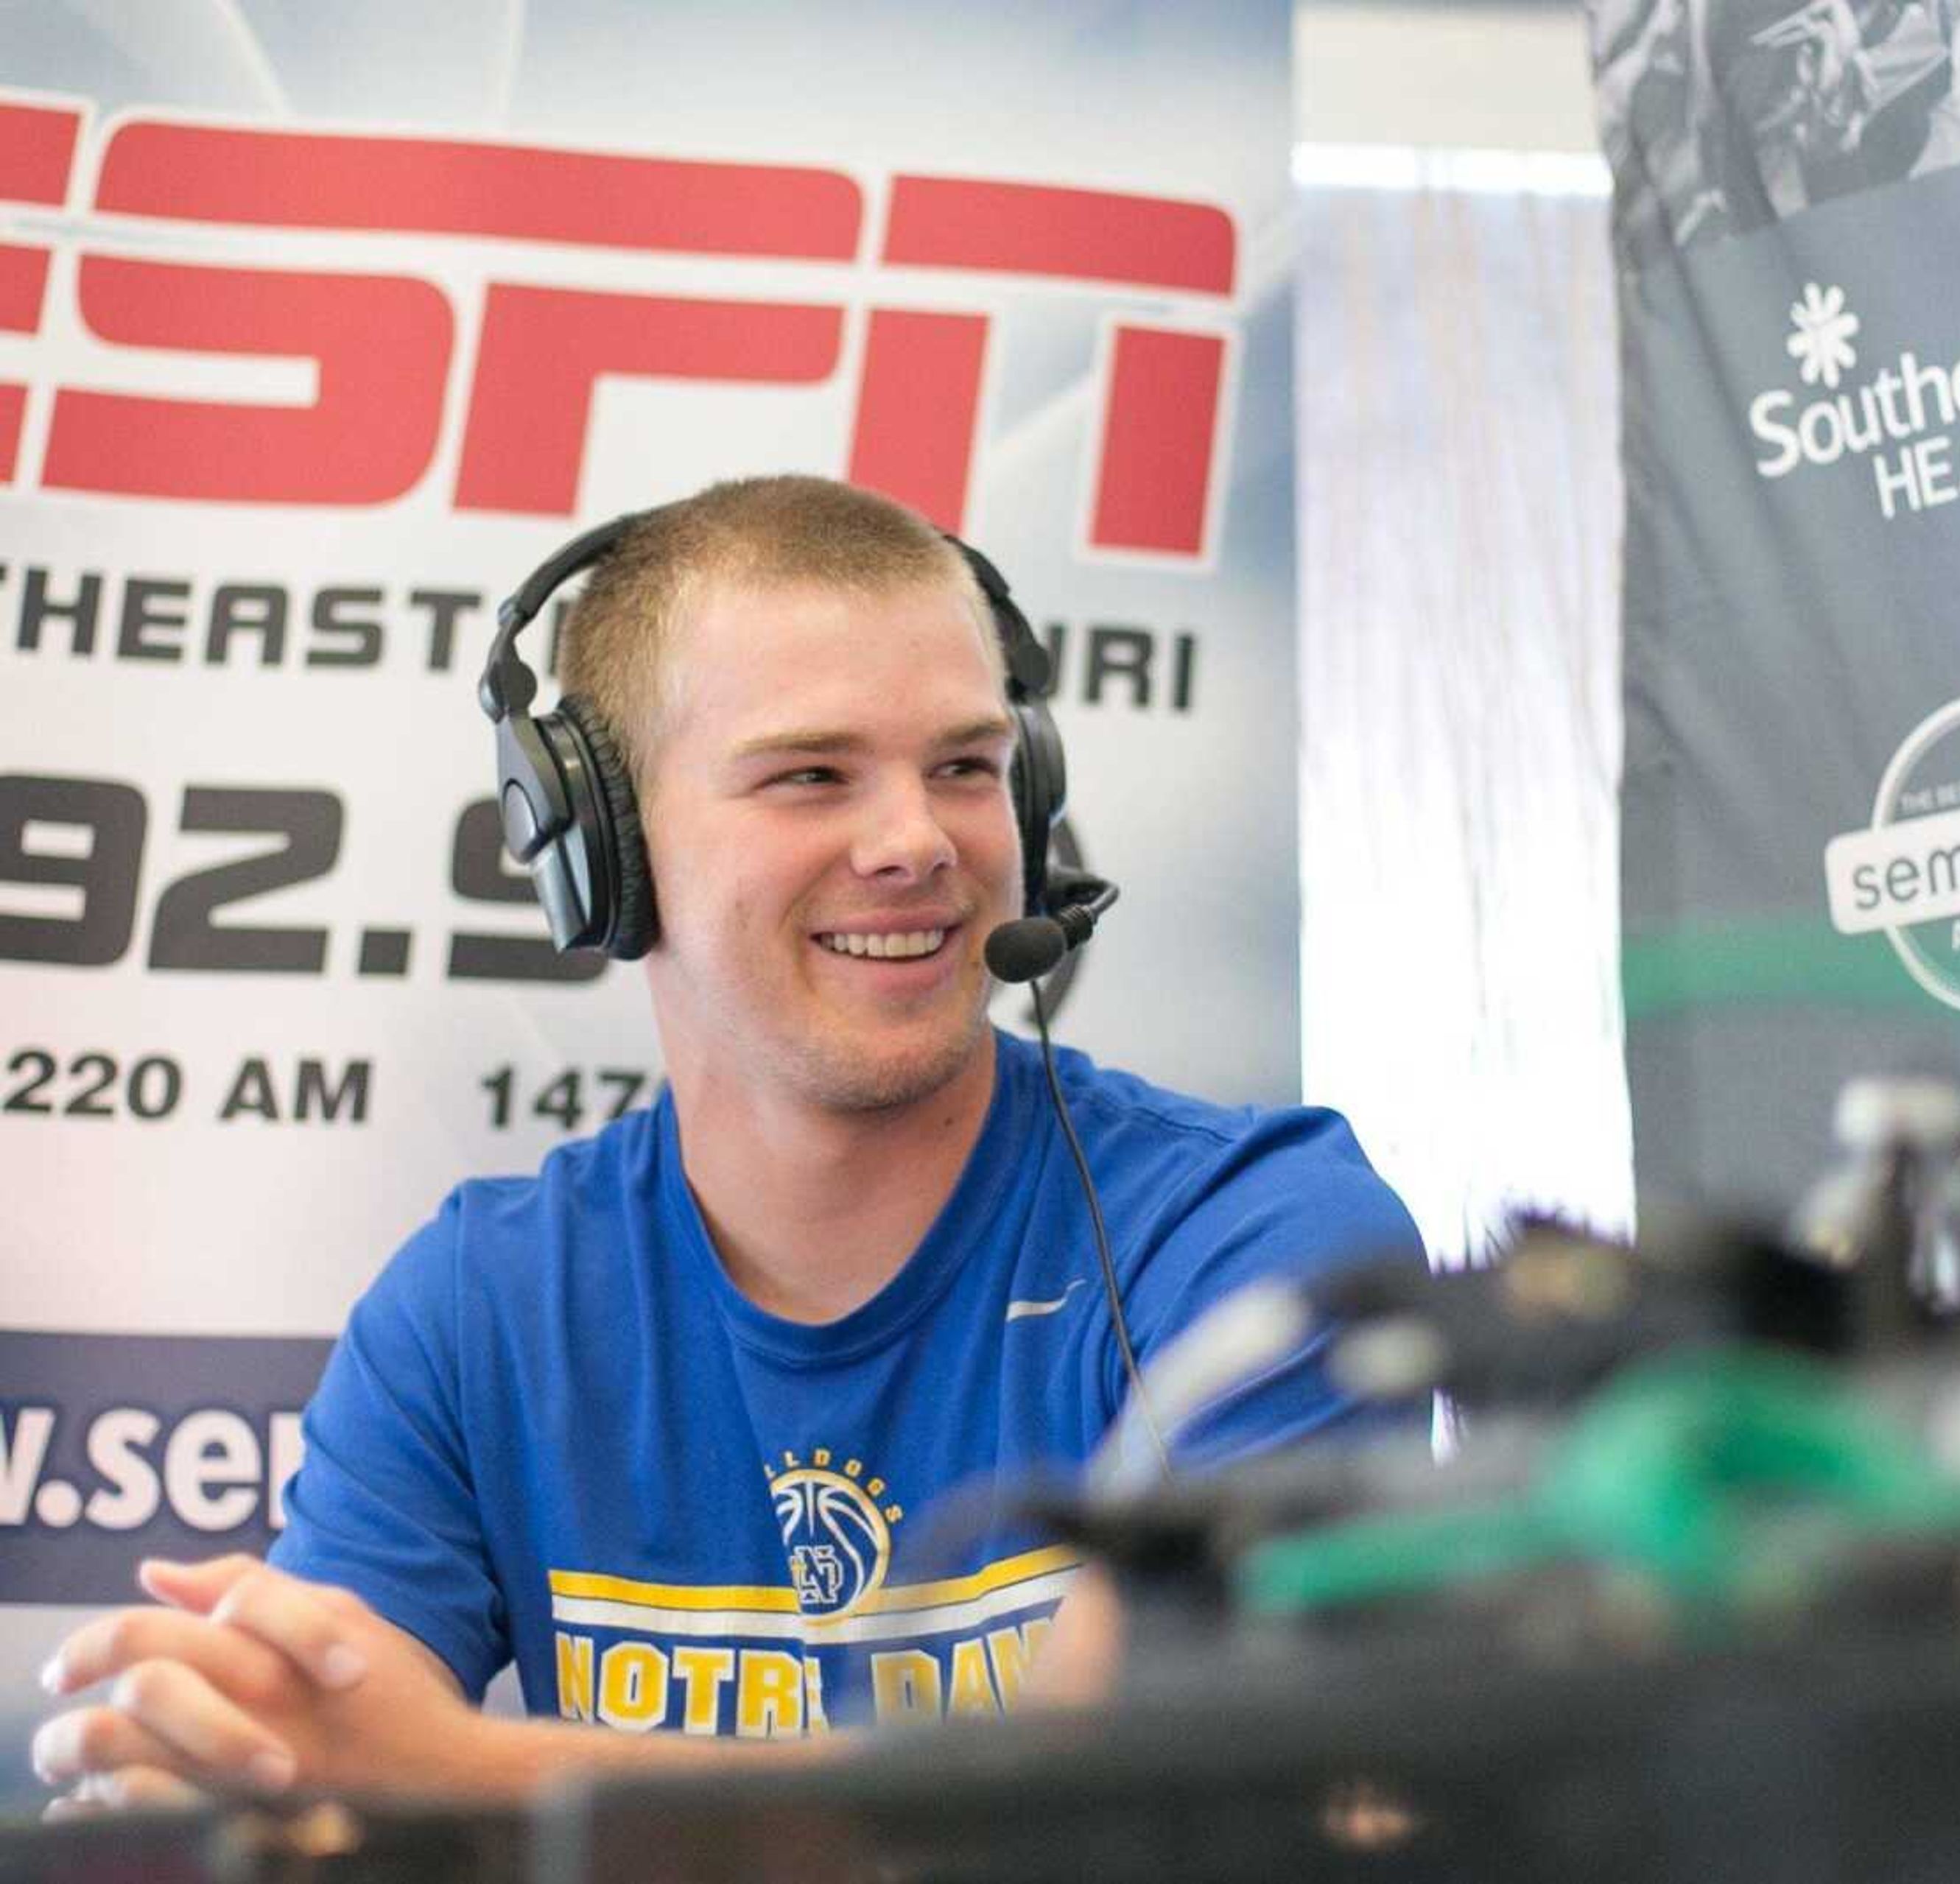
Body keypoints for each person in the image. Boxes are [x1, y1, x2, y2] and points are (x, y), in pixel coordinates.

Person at [31, 477, 1424, 1807]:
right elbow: (338, 1755)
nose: (917, 840)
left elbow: (1163, 1793)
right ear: (606, 845)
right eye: (813, 775)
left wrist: (467, 1776)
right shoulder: (475, 1307)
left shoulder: (1257, 1243)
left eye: (965, 766)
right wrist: (239, 1752)